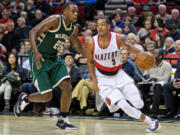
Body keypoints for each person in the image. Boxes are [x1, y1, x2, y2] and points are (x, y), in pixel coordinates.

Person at [14, 3, 86, 130]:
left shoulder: (72, 29)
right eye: (73, 11)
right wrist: (35, 52)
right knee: (47, 96)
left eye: (77, 12)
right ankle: (25, 98)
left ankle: (63, 119)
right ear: (64, 12)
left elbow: (79, 46)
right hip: (40, 58)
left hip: (54, 58)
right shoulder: (55, 20)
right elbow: (33, 32)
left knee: (67, 86)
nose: (76, 14)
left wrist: (93, 58)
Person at [86, 17, 161, 133]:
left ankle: (117, 99)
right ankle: (152, 122)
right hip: (103, 79)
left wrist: (141, 53)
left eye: (103, 24)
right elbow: (90, 62)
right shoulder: (92, 42)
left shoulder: (117, 38)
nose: (100, 27)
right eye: (98, 25)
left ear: (108, 27)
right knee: (124, 105)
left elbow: (129, 47)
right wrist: (95, 80)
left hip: (119, 75)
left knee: (139, 104)